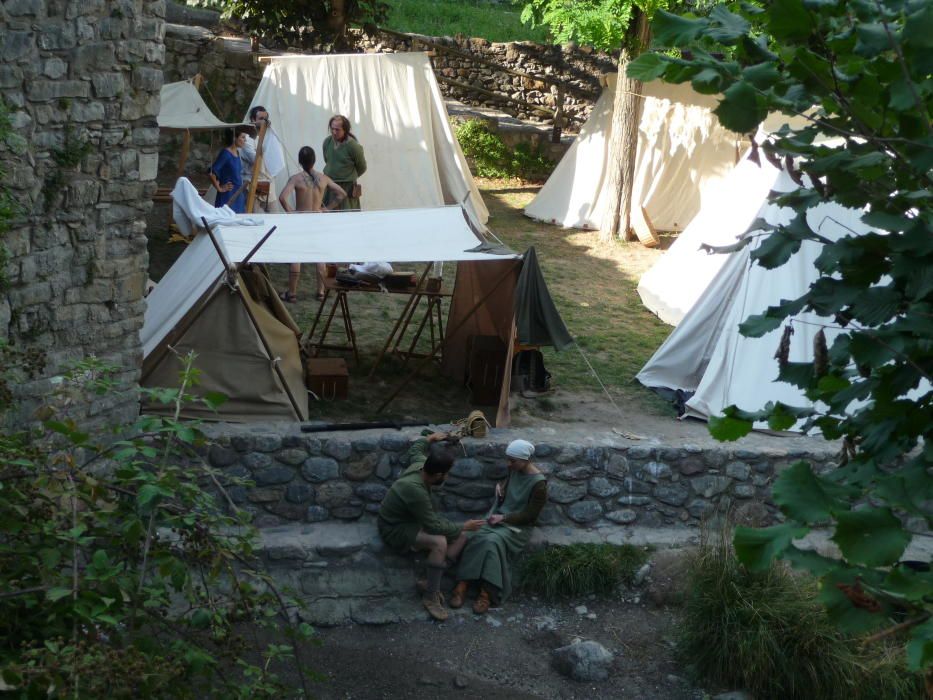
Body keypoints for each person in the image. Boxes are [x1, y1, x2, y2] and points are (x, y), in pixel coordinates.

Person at [378, 432, 486, 622]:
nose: (448, 476)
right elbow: (433, 525)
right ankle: (430, 596)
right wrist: (465, 525)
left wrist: (430, 438)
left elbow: (416, 449)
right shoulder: (415, 489)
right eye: (447, 473)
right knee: (440, 542)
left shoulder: (421, 464)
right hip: (394, 529)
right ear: (437, 475)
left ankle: (429, 581)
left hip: (412, 521)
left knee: (461, 536)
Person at [450, 439, 548, 614]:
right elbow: (509, 484)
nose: (508, 464)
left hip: (518, 527)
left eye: (513, 461)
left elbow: (530, 516)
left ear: (525, 460)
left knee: (492, 541)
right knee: (475, 534)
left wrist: (504, 518)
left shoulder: (539, 484)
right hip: (499, 518)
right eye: (508, 459)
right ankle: (463, 583)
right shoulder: (515, 470)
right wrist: (500, 486)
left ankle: (487, 592)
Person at [277, 146, 347, 303]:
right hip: (317, 220)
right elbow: (342, 193)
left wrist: (292, 213)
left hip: (302, 220)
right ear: (314, 161)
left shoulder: (296, 179)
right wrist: (326, 209)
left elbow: (282, 197)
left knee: (297, 255)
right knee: (319, 255)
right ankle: (321, 292)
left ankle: (292, 293)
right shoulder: (323, 178)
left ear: (300, 161)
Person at [240, 105, 286, 211]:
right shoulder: (246, 139)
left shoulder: (269, 137)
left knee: (275, 219)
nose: (264, 122)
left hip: (269, 186)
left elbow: (275, 156)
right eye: (261, 119)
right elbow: (255, 159)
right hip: (252, 186)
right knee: (257, 221)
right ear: (252, 120)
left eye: (266, 119)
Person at [322, 114, 367, 211]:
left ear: (345, 130)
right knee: (329, 218)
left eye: (337, 129)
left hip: (347, 189)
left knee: (347, 219)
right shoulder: (327, 142)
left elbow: (362, 167)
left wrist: (347, 176)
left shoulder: (353, 146)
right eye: (332, 129)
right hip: (330, 186)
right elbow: (328, 160)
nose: (334, 132)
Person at [209, 127, 249, 213]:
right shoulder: (226, 154)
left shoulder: (238, 153)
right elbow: (212, 172)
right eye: (243, 137)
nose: (245, 140)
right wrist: (219, 188)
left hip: (238, 196)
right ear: (234, 138)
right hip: (227, 197)